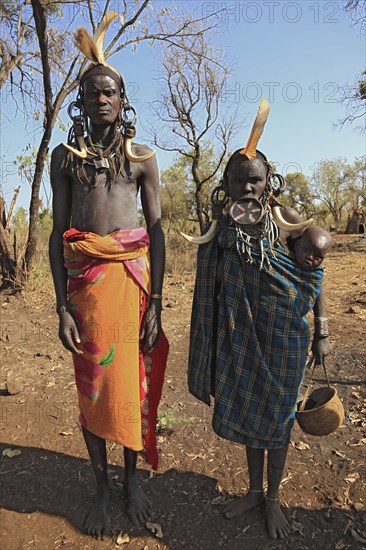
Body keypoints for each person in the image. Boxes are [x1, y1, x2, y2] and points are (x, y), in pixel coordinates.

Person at [186, 100, 332, 540]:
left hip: (285, 338)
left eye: (256, 180)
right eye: (239, 180)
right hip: (241, 338)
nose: (247, 188)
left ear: (268, 182)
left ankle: (272, 500)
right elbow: (210, 287)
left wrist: (322, 331)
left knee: (280, 418)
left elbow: (316, 274)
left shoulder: (286, 220)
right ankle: (253, 491)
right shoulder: (222, 227)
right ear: (226, 184)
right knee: (253, 412)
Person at [49, 13, 168, 539]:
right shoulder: (64, 158)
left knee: (132, 387)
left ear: (123, 101)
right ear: (82, 100)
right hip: (86, 287)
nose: (102, 99)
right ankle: (100, 487)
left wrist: (159, 302)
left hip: (132, 284)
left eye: (111, 92)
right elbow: (57, 233)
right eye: (93, 92)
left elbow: (158, 232)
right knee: (94, 387)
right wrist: (60, 305)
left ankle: (130, 481)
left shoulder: (141, 157)